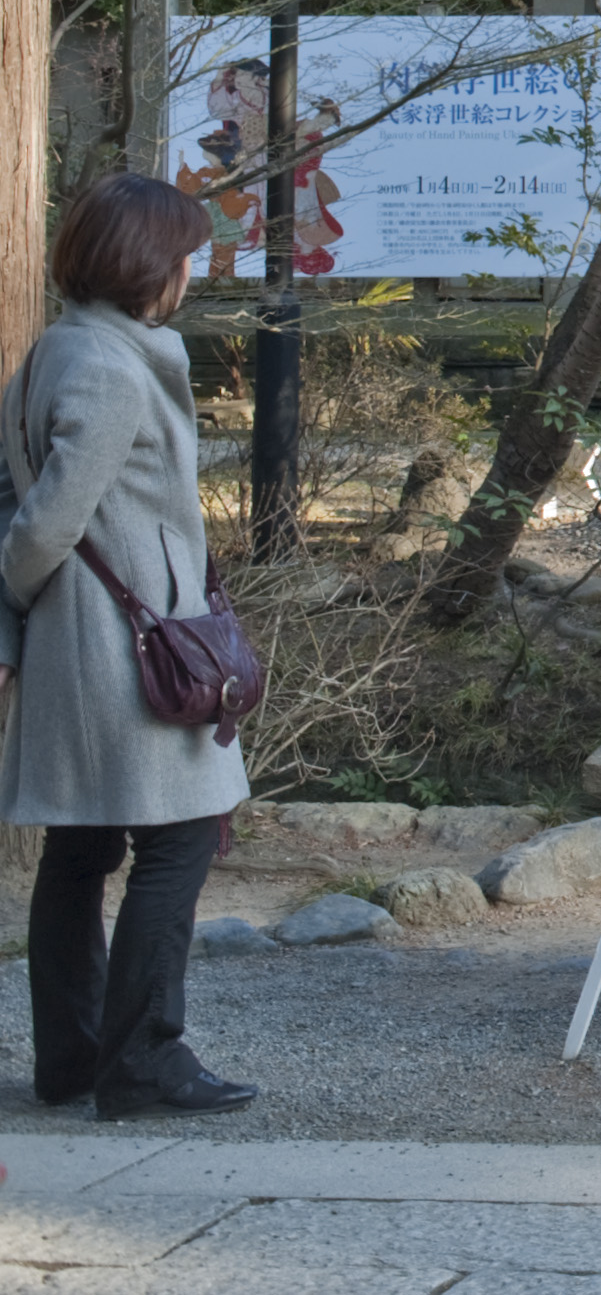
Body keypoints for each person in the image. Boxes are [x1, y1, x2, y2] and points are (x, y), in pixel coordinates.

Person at [0, 174, 257, 1119]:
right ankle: (143, 1058)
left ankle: (74, 1057)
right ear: (147, 264)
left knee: (80, 847)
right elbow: (43, 522)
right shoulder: (111, 368)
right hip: (128, 651)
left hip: (83, 648)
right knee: (178, 840)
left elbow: (11, 493)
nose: (191, 268)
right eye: (184, 252)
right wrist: (23, 587)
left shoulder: (55, 349)